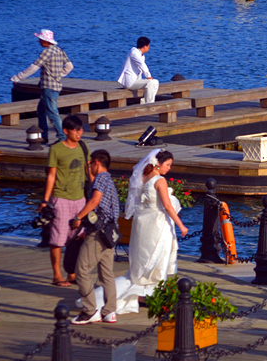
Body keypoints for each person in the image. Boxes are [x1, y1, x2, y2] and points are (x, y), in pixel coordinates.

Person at [83, 149, 189, 315]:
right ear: (157, 163)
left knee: (144, 259)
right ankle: (152, 295)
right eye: (167, 165)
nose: (169, 168)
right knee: (157, 260)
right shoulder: (160, 180)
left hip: (142, 225)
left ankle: (141, 294)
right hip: (157, 225)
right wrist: (181, 226)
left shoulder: (143, 178)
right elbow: (167, 206)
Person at [71, 150, 120, 325]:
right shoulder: (110, 181)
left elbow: (95, 201)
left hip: (99, 234)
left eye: (90, 164)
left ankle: (90, 310)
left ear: (97, 163)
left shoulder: (100, 178)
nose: (89, 167)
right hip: (110, 234)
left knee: (82, 270)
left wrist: (78, 218)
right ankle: (110, 311)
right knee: (107, 273)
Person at [42, 114, 90, 287]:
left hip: (80, 199)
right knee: (57, 238)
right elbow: (51, 175)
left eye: (81, 129)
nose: (79, 133)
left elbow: (88, 172)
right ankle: (56, 275)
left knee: (77, 237)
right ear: (65, 131)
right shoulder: (56, 150)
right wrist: (46, 200)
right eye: (76, 130)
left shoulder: (83, 147)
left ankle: (71, 273)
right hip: (61, 198)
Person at [11, 29, 75, 144]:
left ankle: (62, 138)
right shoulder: (59, 50)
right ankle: (43, 136)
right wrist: (59, 74)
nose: (39, 41)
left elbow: (34, 67)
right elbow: (70, 66)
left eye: (40, 39)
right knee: (41, 111)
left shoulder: (47, 52)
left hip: (48, 87)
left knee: (52, 112)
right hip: (55, 86)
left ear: (46, 41)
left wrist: (18, 77)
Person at [117, 37, 159, 104]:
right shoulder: (134, 53)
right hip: (130, 82)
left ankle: (145, 102)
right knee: (150, 82)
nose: (149, 47)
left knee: (155, 82)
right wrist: (148, 76)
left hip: (137, 80)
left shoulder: (141, 55)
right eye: (148, 46)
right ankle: (149, 104)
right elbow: (142, 65)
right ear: (145, 46)